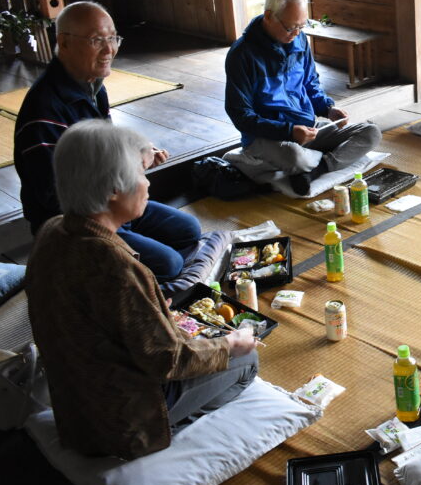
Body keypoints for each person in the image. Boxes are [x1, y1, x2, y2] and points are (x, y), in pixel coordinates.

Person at [26, 120, 258, 460]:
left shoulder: (52, 230)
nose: (148, 184)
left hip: (74, 408)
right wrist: (231, 344)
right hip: (120, 421)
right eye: (140, 174)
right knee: (248, 361)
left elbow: (85, 315)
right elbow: (169, 359)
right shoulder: (115, 264)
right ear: (112, 192)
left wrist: (148, 308)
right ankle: (163, 434)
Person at [14, 1, 204, 282]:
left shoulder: (92, 87)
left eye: (113, 38)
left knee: (189, 229)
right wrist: (124, 174)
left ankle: (125, 245)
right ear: (63, 43)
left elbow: (103, 151)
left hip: (111, 204)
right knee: (169, 264)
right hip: (75, 223)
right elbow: (55, 199)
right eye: (96, 40)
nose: (109, 49)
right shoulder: (43, 111)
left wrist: (135, 153)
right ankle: (80, 264)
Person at [225, 0, 381, 195]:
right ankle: (313, 162)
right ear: (269, 16)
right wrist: (287, 131)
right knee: (294, 157)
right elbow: (240, 115)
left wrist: (327, 109)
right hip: (269, 137)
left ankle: (316, 170)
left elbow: (310, 84)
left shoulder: (300, 42)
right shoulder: (242, 54)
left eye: (301, 26)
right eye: (290, 27)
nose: (296, 33)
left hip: (308, 128)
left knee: (371, 133)